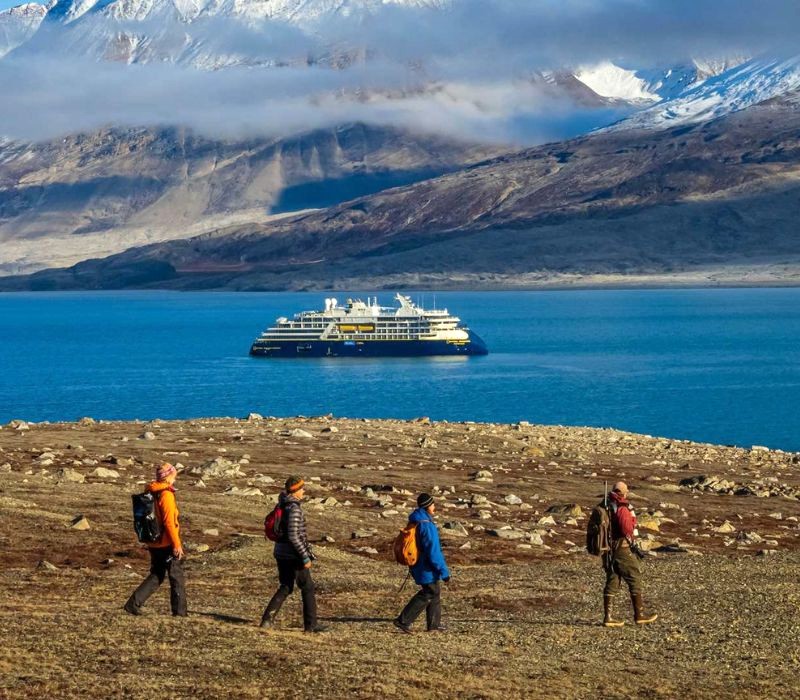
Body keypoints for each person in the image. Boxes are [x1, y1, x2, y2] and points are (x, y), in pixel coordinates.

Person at [260, 476, 327, 633]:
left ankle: (267, 620)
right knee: (308, 587)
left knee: (286, 586)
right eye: (302, 488)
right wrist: (305, 556)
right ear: (296, 490)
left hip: (280, 552)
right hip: (293, 555)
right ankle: (311, 625)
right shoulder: (294, 508)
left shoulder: (282, 504)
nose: (304, 491)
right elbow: (294, 536)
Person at [124, 463, 187, 617]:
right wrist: (177, 544)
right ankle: (180, 612)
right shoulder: (166, 494)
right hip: (166, 542)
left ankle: (133, 603)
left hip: (154, 541)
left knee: (157, 574)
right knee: (176, 576)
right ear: (170, 476)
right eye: (174, 475)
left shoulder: (151, 490)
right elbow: (169, 523)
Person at [602, 481, 657, 627]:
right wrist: (632, 538)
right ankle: (639, 615)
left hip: (609, 549)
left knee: (613, 579)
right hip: (622, 548)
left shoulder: (606, 504)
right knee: (634, 576)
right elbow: (627, 528)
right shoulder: (621, 506)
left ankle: (608, 617)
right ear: (623, 492)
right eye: (626, 491)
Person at [394, 493, 450, 634]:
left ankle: (433, 625)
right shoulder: (426, 525)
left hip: (417, 563)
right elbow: (433, 551)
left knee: (434, 592)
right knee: (428, 593)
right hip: (425, 566)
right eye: (433, 504)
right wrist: (444, 572)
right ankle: (403, 620)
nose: (434, 506)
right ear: (427, 506)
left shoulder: (416, 521)